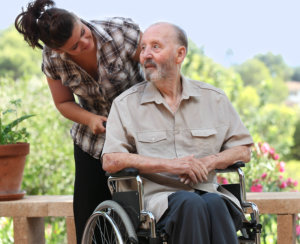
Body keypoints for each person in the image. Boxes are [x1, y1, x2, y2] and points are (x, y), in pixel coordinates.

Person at [102, 22, 254, 244]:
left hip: (208, 192)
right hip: (155, 201)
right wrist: (169, 165)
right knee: (191, 204)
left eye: (155, 47)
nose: (145, 55)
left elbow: (243, 151)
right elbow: (110, 160)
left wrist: (210, 162)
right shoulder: (125, 105)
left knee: (215, 203)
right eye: (143, 48)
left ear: (180, 54)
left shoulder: (214, 99)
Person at [15, 0, 144, 242]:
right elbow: (63, 103)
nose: (85, 42)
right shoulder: (53, 59)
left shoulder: (120, 31)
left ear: (79, 18)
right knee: (89, 217)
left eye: (83, 32)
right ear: (60, 51)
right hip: (93, 142)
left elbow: (156, 70)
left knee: (141, 216)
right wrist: (91, 119)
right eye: (75, 46)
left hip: (140, 135)